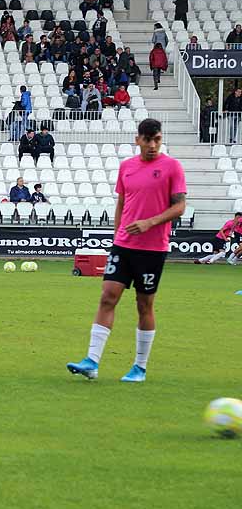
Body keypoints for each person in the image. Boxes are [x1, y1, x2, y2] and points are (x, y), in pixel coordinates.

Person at [66, 119, 186, 383]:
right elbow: (122, 201)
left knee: (144, 305)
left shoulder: (172, 167)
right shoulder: (126, 167)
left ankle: (139, 367)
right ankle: (92, 361)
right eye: (148, 139)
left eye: (157, 139)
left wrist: (149, 223)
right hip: (123, 245)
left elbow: (180, 207)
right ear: (138, 140)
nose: (153, 145)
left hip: (153, 248)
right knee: (108, 296)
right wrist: (117, 233)